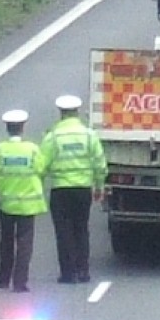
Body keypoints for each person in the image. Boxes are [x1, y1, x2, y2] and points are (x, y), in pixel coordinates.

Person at [40, 94, 107, 284]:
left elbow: (41, 166)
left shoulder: (53, 137)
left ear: (61, 113)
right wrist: (99, 186)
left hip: (60, 189)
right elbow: (100, 163)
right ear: (77, 112)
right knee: (81, 229)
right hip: (83, 189)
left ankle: (68, 273)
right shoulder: (89, 135)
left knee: (63, 232)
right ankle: (83, 271)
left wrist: (38, 187)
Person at [0, 110, 47, 293]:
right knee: (25, 243)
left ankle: (3, 280)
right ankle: (20, 282)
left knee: (6, 241)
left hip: (6, 204)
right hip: (28, 205)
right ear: (23, 128)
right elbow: (42, 170)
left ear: (7, 128)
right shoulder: (32, 149)